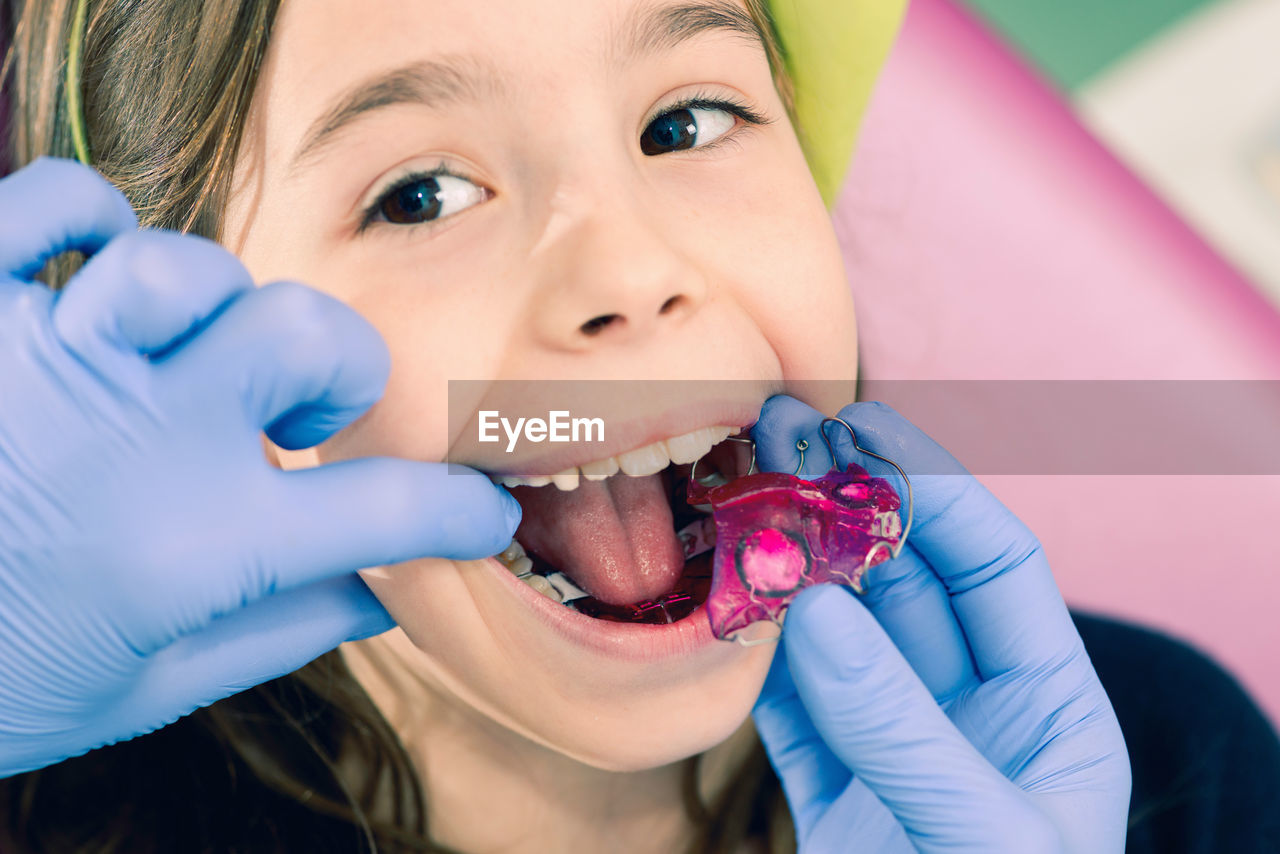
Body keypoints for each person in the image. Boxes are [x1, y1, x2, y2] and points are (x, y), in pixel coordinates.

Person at [0, 1, 1276, 852]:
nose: (625, 271)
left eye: (685, 121)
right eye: (420, 193)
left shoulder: (1154, 761)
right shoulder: (60, 797)